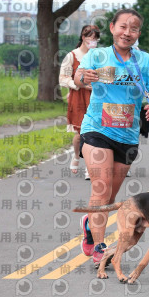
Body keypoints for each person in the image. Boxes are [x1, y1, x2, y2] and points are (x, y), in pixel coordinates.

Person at [74, 8, 149, 266]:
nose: (127, 32)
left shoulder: (145, 61)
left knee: (109, 197)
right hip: (96, 129)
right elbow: (79, 77)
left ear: (138, 33)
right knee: (100, 188)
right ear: (112, 27)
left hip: (127, 134)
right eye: (123, 26)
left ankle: (89, 225)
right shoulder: (98, 55)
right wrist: (84, 77)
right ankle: (100, 248)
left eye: (133, 28)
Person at [59, 25, 99, 180]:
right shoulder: (72, 56)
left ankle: (90, 167)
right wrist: (79, 84)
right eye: (91, 37)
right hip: (78, 97)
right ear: (83, 37)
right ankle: (76, 155)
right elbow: (63, 78)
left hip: (96, 97)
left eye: (96, 38)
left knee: (95, 133)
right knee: (80, 133)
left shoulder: (98, 56)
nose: (93, 41)